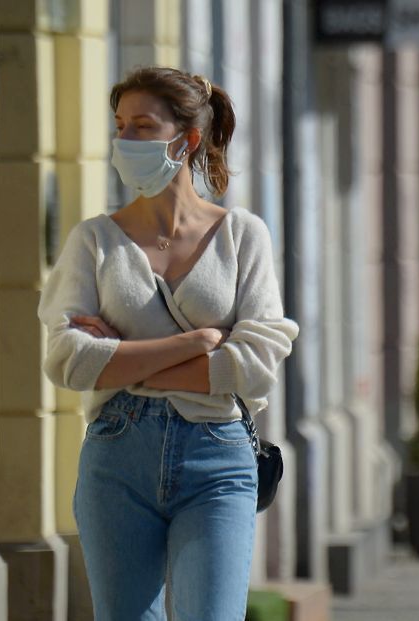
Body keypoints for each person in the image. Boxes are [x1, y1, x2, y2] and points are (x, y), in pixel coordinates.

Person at [37, 67, 298, 620]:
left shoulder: (241, 235)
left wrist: (121, 362)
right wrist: (199, 342)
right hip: (116, 457)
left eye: (142, 126)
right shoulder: (94, 241)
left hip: (218, 457)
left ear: (188, 140)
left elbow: (257, 361)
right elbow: (65, 358)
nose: (125, 140)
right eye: (120, 126)